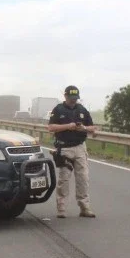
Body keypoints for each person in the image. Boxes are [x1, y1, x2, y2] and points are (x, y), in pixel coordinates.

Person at [47, 85, 97, 218]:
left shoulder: (82, 110)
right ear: (65, 96)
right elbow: (51, 127)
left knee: (83, 178)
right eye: (71, 98)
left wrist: (84, 128)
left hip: (80, 147)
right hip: (64, 148)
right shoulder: (58, 109)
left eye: (75, 98)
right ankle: (61, 208)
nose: (73, 100)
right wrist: (68, 126)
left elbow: (93, 128)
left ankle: (84, 207)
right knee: (64, 179)